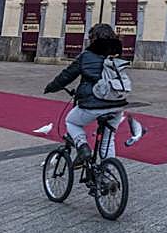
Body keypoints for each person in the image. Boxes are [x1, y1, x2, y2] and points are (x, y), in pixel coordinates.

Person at [43, 23, 127, 165]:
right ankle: (108, 176)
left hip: (93, 103)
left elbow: (67, 76)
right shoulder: (116, 54)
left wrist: (51, 87)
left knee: (71, 121)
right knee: (107, 140)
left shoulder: (86, 56)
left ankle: (82, 147)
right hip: (117, 104)